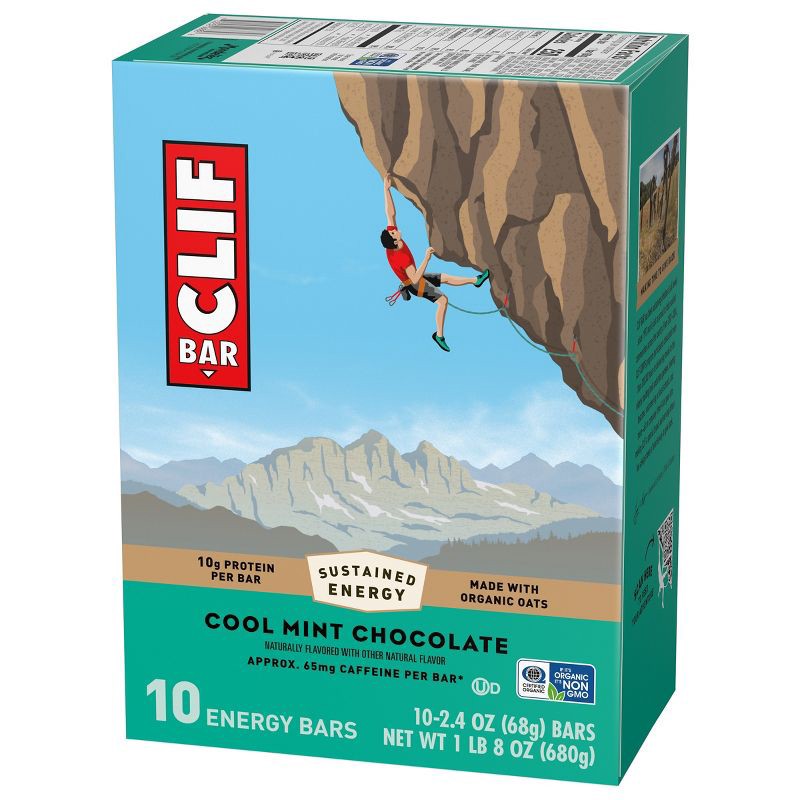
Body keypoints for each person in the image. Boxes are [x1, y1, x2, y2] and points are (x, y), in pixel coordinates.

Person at [380, 172, 490, 352]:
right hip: (414, 284)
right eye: (393, 233)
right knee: (443, 301)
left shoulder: (393, 242)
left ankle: (475, 281)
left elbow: (390, 214)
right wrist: (427, 257)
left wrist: (386, 190)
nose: (395, 230)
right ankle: (439, 336)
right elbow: (415, 279)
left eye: (393, 231)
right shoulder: (402, 258)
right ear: (394, 240)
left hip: (413, 278)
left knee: (444, 278)